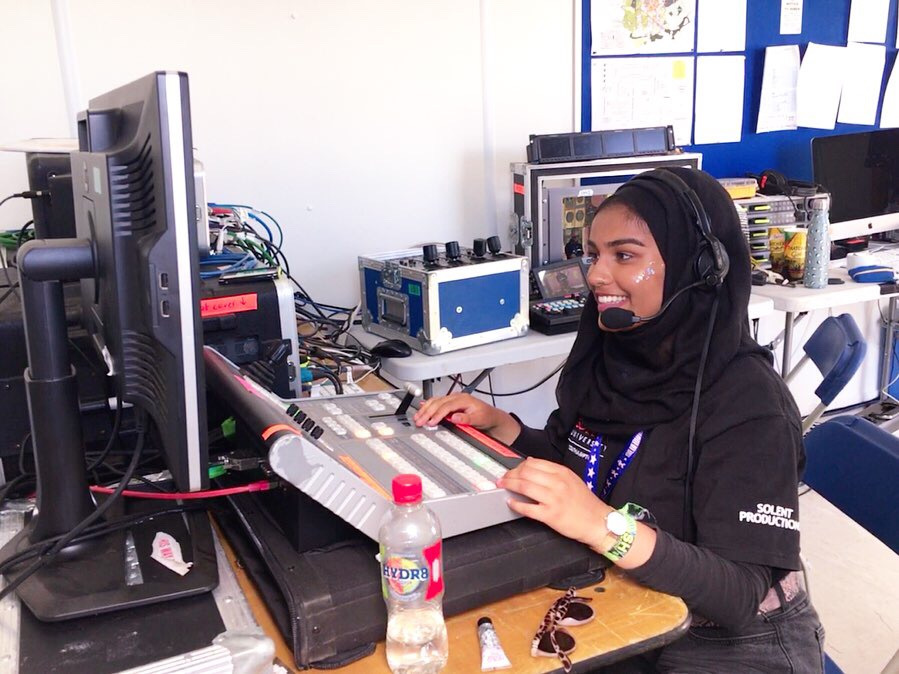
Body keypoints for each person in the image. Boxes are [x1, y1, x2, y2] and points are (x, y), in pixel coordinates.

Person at [414, 167, 824, 672]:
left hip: (734, 640)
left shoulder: (750, 405)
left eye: (623, 256)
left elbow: (737, 593)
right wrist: (505, 429)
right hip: (637, 600)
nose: (595, 275)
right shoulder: (614, 356)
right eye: (593, 254)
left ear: (699, 268)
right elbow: (582, 466)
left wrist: (603, 525)